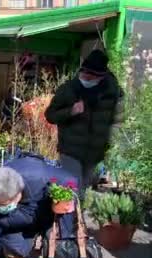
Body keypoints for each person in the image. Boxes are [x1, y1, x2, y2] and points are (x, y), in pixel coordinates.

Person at [45, 50, 122, 197]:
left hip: (94, 153)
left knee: (82, 191)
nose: (86, 77)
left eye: (91, 75)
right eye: (84, 73)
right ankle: (68, 218)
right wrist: (71, 111)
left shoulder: (112, 93)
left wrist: (111, 141)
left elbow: (117, 119)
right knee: (71, 189)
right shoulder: (68, 89)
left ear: (101, 76)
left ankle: (77, 218)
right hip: (70, 150)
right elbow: (50, 115)